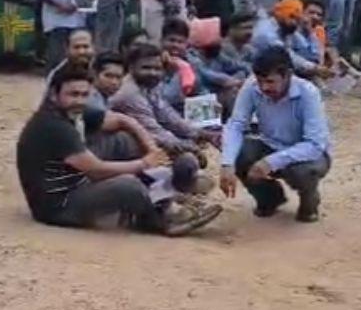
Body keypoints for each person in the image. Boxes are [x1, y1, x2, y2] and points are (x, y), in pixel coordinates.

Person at [16, 62, 221, 236]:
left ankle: (165, 192)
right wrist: (142, 163)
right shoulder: (54, 126)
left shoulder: (72, 111)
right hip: (60, 206)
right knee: (129, 184)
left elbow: (123, 120)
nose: (79, 100)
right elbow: (96, 169)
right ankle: (160, 219)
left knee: (124, 141)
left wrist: (151, 150)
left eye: (84, 95)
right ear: (54, 94)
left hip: (77, 180)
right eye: (73, 94)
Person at [220, 47, 332, 223]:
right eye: (260, 81)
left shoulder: (308, 93)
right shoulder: (251, 86)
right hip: (269, 144)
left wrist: (270, 162)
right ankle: (270, 199)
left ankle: (309, 201)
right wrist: (227, 164)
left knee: (304, 172)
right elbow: (236, 125)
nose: (264, 87)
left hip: (306, 154)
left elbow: (314, 144)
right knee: (239, 154)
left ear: (288, 75)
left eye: (271, 81)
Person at [109, 43, 219, 190]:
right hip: (122, 152)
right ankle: (173, 201)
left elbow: (169, 117)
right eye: (146, 68)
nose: (153, 73)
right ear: (131, 68)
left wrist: (204, 134)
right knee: (186, 159)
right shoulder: (130, 93)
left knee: (185, 147)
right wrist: (192, 148)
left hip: (145, 141)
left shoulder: (149, 86)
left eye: (157, 69)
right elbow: (155, 133)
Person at [252, 0, 325, 79]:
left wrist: (310, 32)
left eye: (298, 19)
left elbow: (310, 54)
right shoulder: (266, 32)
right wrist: (314, 68)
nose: (294, 22)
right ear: (280, 13)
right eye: (292, 17)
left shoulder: (288, 29)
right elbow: (285, 56)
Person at [42, 28, 95, 100]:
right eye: (76, 47)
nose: (81, 52)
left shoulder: (100, 69)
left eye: (85, 47)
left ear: (93, 47)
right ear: (67, 49)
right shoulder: (57, 74)